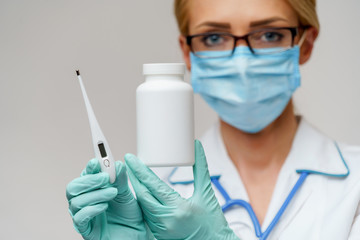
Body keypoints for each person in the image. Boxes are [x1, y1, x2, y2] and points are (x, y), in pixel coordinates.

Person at [66, 0, 360, 239]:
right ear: (188, 53)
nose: (242, 62)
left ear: (305, 44)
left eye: (270, 34)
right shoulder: (145, 199)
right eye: (214, 37)